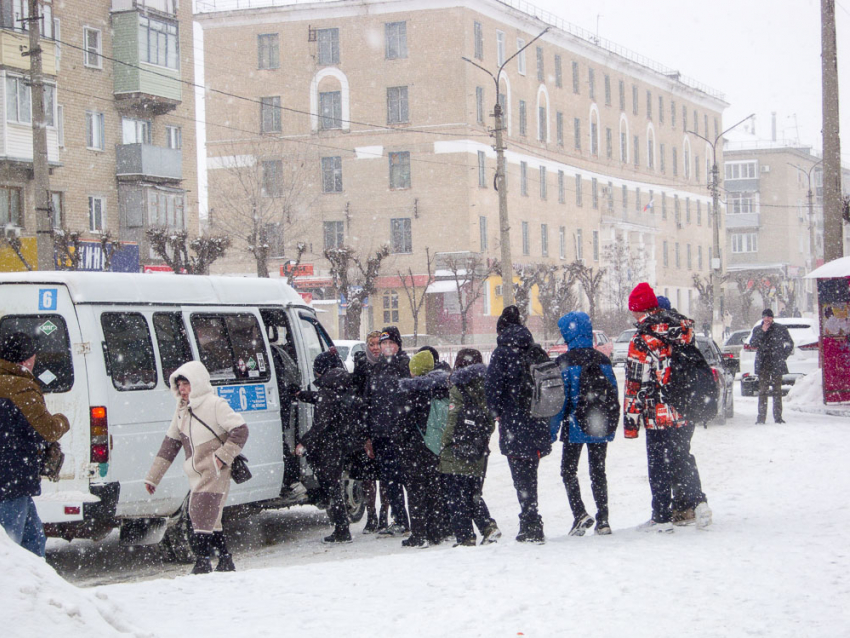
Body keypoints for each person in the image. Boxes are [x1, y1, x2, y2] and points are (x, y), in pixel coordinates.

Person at [145, 361, 249, 574]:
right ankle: (225, 560)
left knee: (199, 511)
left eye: (186, 384)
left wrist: (221, 458)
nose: (182, 389)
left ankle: (202, 561)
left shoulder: (215, 404)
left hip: (215, 471)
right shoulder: (182, 411)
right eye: (179, 385)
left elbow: (241, 430)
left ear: (198, 383)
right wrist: (152, 478)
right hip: (195, 472)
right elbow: (170, 444)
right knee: (213, 518)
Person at [623, 283, 711, 532]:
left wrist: (631, 423)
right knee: (682, 457)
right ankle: (697, 503)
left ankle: (661, 518)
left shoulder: (643, 339)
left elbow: (635, 384)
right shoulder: (683, 330)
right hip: (684, 406)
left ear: (640, 311)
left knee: (659, 464)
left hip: (657, 413)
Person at [485, 305, 552, 543]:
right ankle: (531, 519)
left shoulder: (502, 352)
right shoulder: (536, 349)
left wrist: (496, 412)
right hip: (538, 420)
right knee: (530, 473)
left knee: (520, 476)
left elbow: (492, 389)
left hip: (515, 422)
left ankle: (531, 522)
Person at [0, 332, 70, 557]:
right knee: (12, 548)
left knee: (33, 540)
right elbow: (47, 430)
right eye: (33, 356)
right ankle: (15, 590)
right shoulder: (21, 388)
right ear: (24, 360)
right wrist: (62, 420)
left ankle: (37, 587)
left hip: (11, 480)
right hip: (11, 478)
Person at [550, 311, 618, 537]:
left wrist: (551, 432)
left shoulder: (564, 363)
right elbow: (613, 394)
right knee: (598, 471)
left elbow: (559, 403)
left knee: (568, 470)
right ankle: (604, 519)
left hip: (574, 425)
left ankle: (580, 513)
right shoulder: (604, 360)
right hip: (599, 423)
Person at [294, 348, 363, 544]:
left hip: (330, 445)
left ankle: (342, 530)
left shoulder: (327, 389)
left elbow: (321, 422)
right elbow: (322, 400)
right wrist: (302, 394)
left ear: (321, 370)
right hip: (344, 442)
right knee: (335, 485)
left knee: (332, 487)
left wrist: (303, 443)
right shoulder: (341, 384)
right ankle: (341, 527)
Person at [440, 348, 500, 547]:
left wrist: (445, 443)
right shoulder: (487, 386)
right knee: (473, 492)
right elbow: (491, 420)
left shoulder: (458, 386)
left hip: (458, 447)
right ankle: (488, 527)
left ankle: (465, 536)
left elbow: (453, 418)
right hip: (478, 448)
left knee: (456, 495)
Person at [398, 349, 450, 547]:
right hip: (435, 445)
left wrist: (400, 440)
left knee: (416, 491)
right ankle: (436, 531)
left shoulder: (413, 391)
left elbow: (405, 422)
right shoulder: (441, 388)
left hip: (416, 447)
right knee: (434, 489)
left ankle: (419, 534)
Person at [364, 327, 411, 536]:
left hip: (402, 433)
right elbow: (368, 403)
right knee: (390, 480)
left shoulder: (405, 366)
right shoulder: (376, 369)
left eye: (391, 343)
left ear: (398, 345)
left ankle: (422, 519)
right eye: (383, 344)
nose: (386, 347)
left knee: (409, 479)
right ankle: (400, 519)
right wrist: (368, 436)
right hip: (381, 433)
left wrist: (404, 427)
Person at [350, 331, 388, 533]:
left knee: (385, 476)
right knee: (367, 476)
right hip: (365, 426)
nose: (375, 347)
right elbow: (357, 399)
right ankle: (371, 515)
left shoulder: (388, 365)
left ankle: (384, 516)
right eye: (371, 344)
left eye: (378, 344)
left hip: (383, 427)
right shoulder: (361, 366)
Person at [749, 308, 794, 424]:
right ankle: (761, 418)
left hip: (776, 363)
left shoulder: (780, 329)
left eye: (769, 317)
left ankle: (778, 417)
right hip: (763, 363)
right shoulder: (758, 329)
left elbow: (790, 343)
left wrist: (782, 355)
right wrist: (762, 332)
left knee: (777, 391)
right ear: (762, 318)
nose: (767, 319)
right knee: (763, 391)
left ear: (772, 318)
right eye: (765, 317)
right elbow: (752, 343)